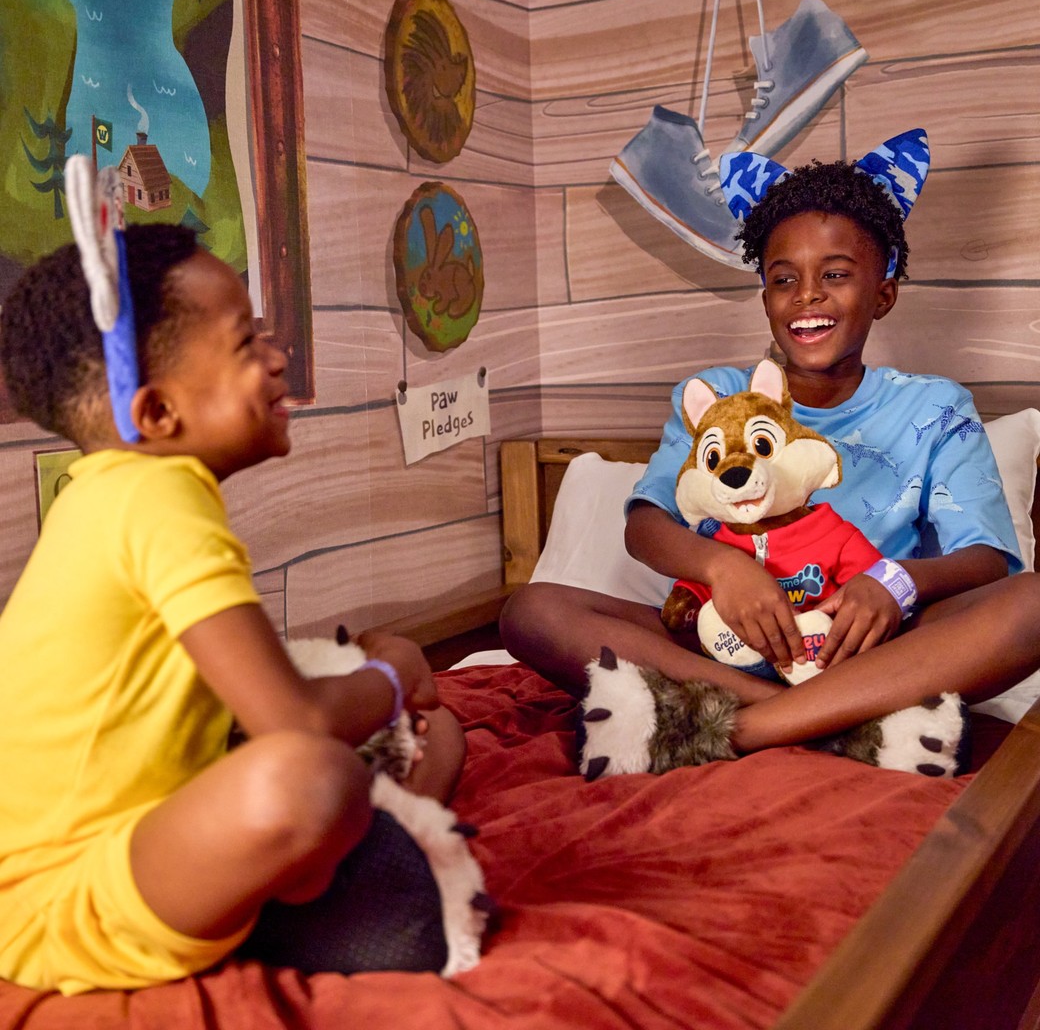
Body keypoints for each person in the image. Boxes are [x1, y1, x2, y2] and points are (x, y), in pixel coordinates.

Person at [0, 223, 465, 995]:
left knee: (401, 774)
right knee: (313, 779)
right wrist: (392, 672)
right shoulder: (156, 495)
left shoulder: (106, 496)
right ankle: (360, 857)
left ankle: (378, 847)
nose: (278, 356)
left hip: (132, 854)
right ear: (155, 415)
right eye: (247, 341)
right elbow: (300, 726)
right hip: (66, 900)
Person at [500, 153, 1040, 756]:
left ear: (883, 294)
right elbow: (646, 525)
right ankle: (818, 718)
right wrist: (722, 569)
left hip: (873, 652)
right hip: (720, 642)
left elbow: (988, 561)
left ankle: (741, 729)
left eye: (835, 275)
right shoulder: (717, 396)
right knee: (533, 609)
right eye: (784, 279)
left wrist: (895, 583)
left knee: (1034, 605)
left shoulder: (936, 408)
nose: (807, 296)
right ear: (765, 297)